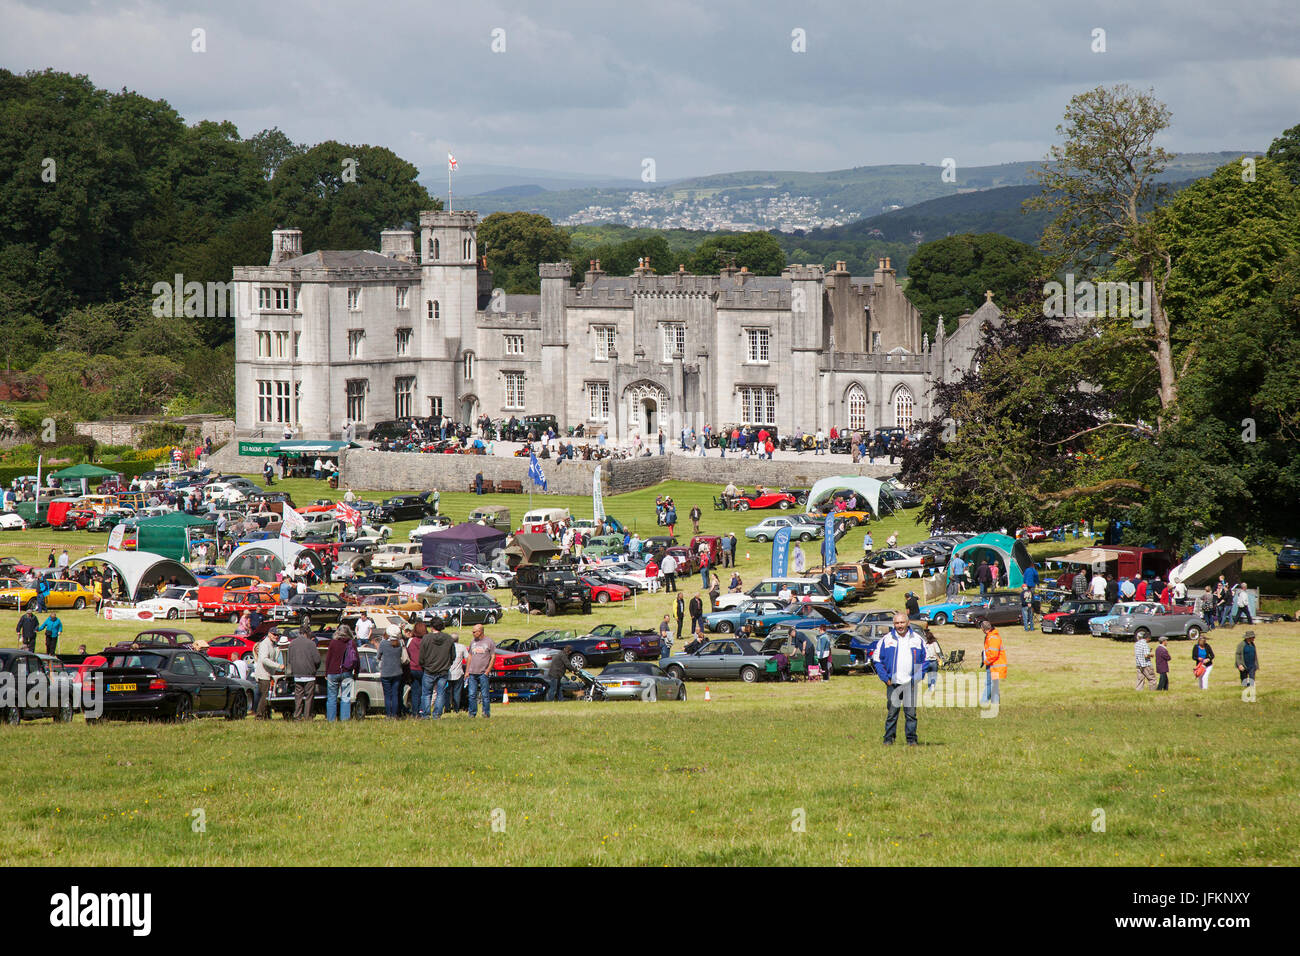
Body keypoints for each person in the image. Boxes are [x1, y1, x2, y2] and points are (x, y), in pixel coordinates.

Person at [871, 611, 927, 745]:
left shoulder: (917, 640)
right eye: (897, 623)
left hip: (910, 683)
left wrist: (917, 677)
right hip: (893, 683)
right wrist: (885, 679)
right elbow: (877, 660)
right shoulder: (886, 640)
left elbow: (926, 660)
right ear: (893, 624)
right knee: (892, 713)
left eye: (902, 622)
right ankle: (888, 739)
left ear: (908, 623)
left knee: (911, 715)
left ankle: (911, 740)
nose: (900, 625)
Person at [419, 624, 455, 718]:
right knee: (440, 693)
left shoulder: (426, 638)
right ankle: (437, 714)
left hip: (429, 670)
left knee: (426, 693)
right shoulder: (448, 638)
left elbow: (421, 655)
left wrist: (424, 665)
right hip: (443, 671)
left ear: (432, 627)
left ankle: (426, 714)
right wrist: (447, 665)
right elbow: (453, 655)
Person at [325, 624, 359, 721]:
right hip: (347, 672)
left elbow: (328, 659)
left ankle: (331, 719)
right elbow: (356, 658)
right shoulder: (351, 643)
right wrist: (356, 672)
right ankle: (344, 719)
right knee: (345, 697)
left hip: (332, 672)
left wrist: (326, 672)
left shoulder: (333, 643)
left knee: (331, 698)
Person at [287, 627, 320, 720]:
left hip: (297, 674)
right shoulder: (311, 643)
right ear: (307, 633)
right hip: (309, 674)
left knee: (298, 696)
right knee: (309, 697)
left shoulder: (292, 643)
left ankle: (297, 715)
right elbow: (317, 660)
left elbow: (289, 660)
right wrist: (314, 669)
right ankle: (307, 716)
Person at [465, 624, 496, 717]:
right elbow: (470, 656)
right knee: (471, 695)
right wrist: (467, 671)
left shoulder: (489, 642)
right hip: (472, 673)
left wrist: (487, 671)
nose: (473, 633)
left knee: (485, 695)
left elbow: (493, 657)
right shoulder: (473, 642)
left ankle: (486, 713)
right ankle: (472, 713)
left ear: (480, 631)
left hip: (483, 673)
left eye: (474, 632)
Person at [253, 630, 285, 718]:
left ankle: (266, 715)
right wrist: (278, 666)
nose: (276, 636)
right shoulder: (265, 644)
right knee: (265, 696)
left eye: (278, 635)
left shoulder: (272, 644)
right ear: (269, 634)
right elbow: (264, 659)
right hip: (263, 675)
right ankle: (259, 716)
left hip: (268, 674)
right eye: (274, 634)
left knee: (266, 696)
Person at [377, 625, 404, 718]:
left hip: (386, 672)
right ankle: (395, 714)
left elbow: (378, 656)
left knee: (388, 695)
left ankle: (389, 714)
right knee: (395, 694)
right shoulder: (400, 644)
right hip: (397, 672)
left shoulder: (383, 644)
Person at [980, 618, 1006, 705]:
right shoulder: (990, 636)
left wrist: (986, 661)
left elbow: (993, 654)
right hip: (992, 665)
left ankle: (984, 701)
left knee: (989, 684)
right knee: (994, 685)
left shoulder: (993, 638)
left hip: (993, 665)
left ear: (983, 629)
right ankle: (995, 703)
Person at [447, 633, 468, 714]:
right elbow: (467, 658)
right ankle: (456, 708)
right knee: (457, 692)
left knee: (447, 692)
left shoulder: (447, 647)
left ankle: (447, 707)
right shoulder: (462, 647)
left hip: (448, 673)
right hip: (458, 673)